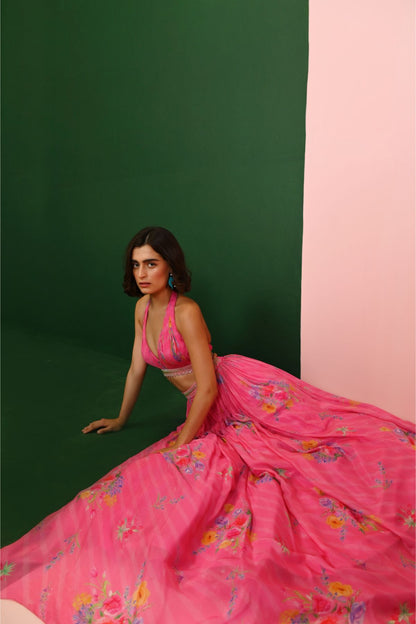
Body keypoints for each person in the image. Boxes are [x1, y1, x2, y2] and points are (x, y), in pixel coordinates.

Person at [1, 226, 415, 624]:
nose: (142, 273)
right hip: (202, 401)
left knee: (310, 445)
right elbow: (136, 368)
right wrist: (120, 417)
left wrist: (184, 439)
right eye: (136, 265)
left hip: (234, 393)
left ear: (170, 266)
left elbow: (208, 388)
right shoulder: (142, 309)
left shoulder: (187, 312)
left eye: (151, 264)